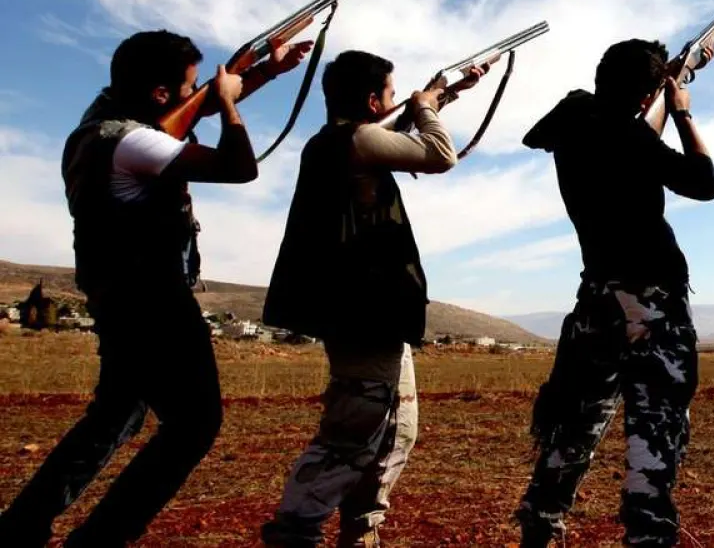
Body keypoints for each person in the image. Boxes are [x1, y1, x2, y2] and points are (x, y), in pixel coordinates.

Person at [0, 29, 310, 548]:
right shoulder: (135, 142)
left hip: (119, 294)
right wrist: (232, 105)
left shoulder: (100, 125)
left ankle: (20, 527)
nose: (198, 93)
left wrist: (263, 74)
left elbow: (192, 106)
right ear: (159, 94)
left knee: (116, 415)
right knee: (195, 424)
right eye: (187, 85)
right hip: (152, 299)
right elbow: (239, 168)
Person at [258, 51, 484, 548]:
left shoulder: (339, 140)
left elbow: (394, 132)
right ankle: (295, 532)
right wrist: (426, 106)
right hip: (363, 312)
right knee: (354, 429)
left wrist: (445, 94)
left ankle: (361, 534)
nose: (394, 98)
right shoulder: (354, 139)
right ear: (370, 99)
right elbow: (439, 155)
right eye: (390, 91)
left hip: (376, 314)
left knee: (395, 429)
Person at [514, 39, 714, 548]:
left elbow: (627, 140)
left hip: (596, 297)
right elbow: (703, 181)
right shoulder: (627, 135)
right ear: (650, 90)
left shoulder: (577, 124)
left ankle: (540, 527)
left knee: (576, 425)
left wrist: (660, 89)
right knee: (655, 431)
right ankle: (647, 536)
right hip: (651, 300)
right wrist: (683, 111)